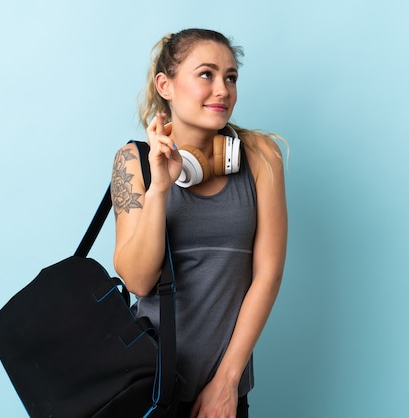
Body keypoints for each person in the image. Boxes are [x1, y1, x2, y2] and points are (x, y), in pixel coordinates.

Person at [111, 28, 287, 418]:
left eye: (230, 77)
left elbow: (268, 274)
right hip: (147, 388)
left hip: (223, 394)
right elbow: (138, 282)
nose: (222, 89)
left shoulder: (261, 156)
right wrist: (159, 187)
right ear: (166, 85)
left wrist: (227, 382)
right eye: (206, 74)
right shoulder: (132, 162)